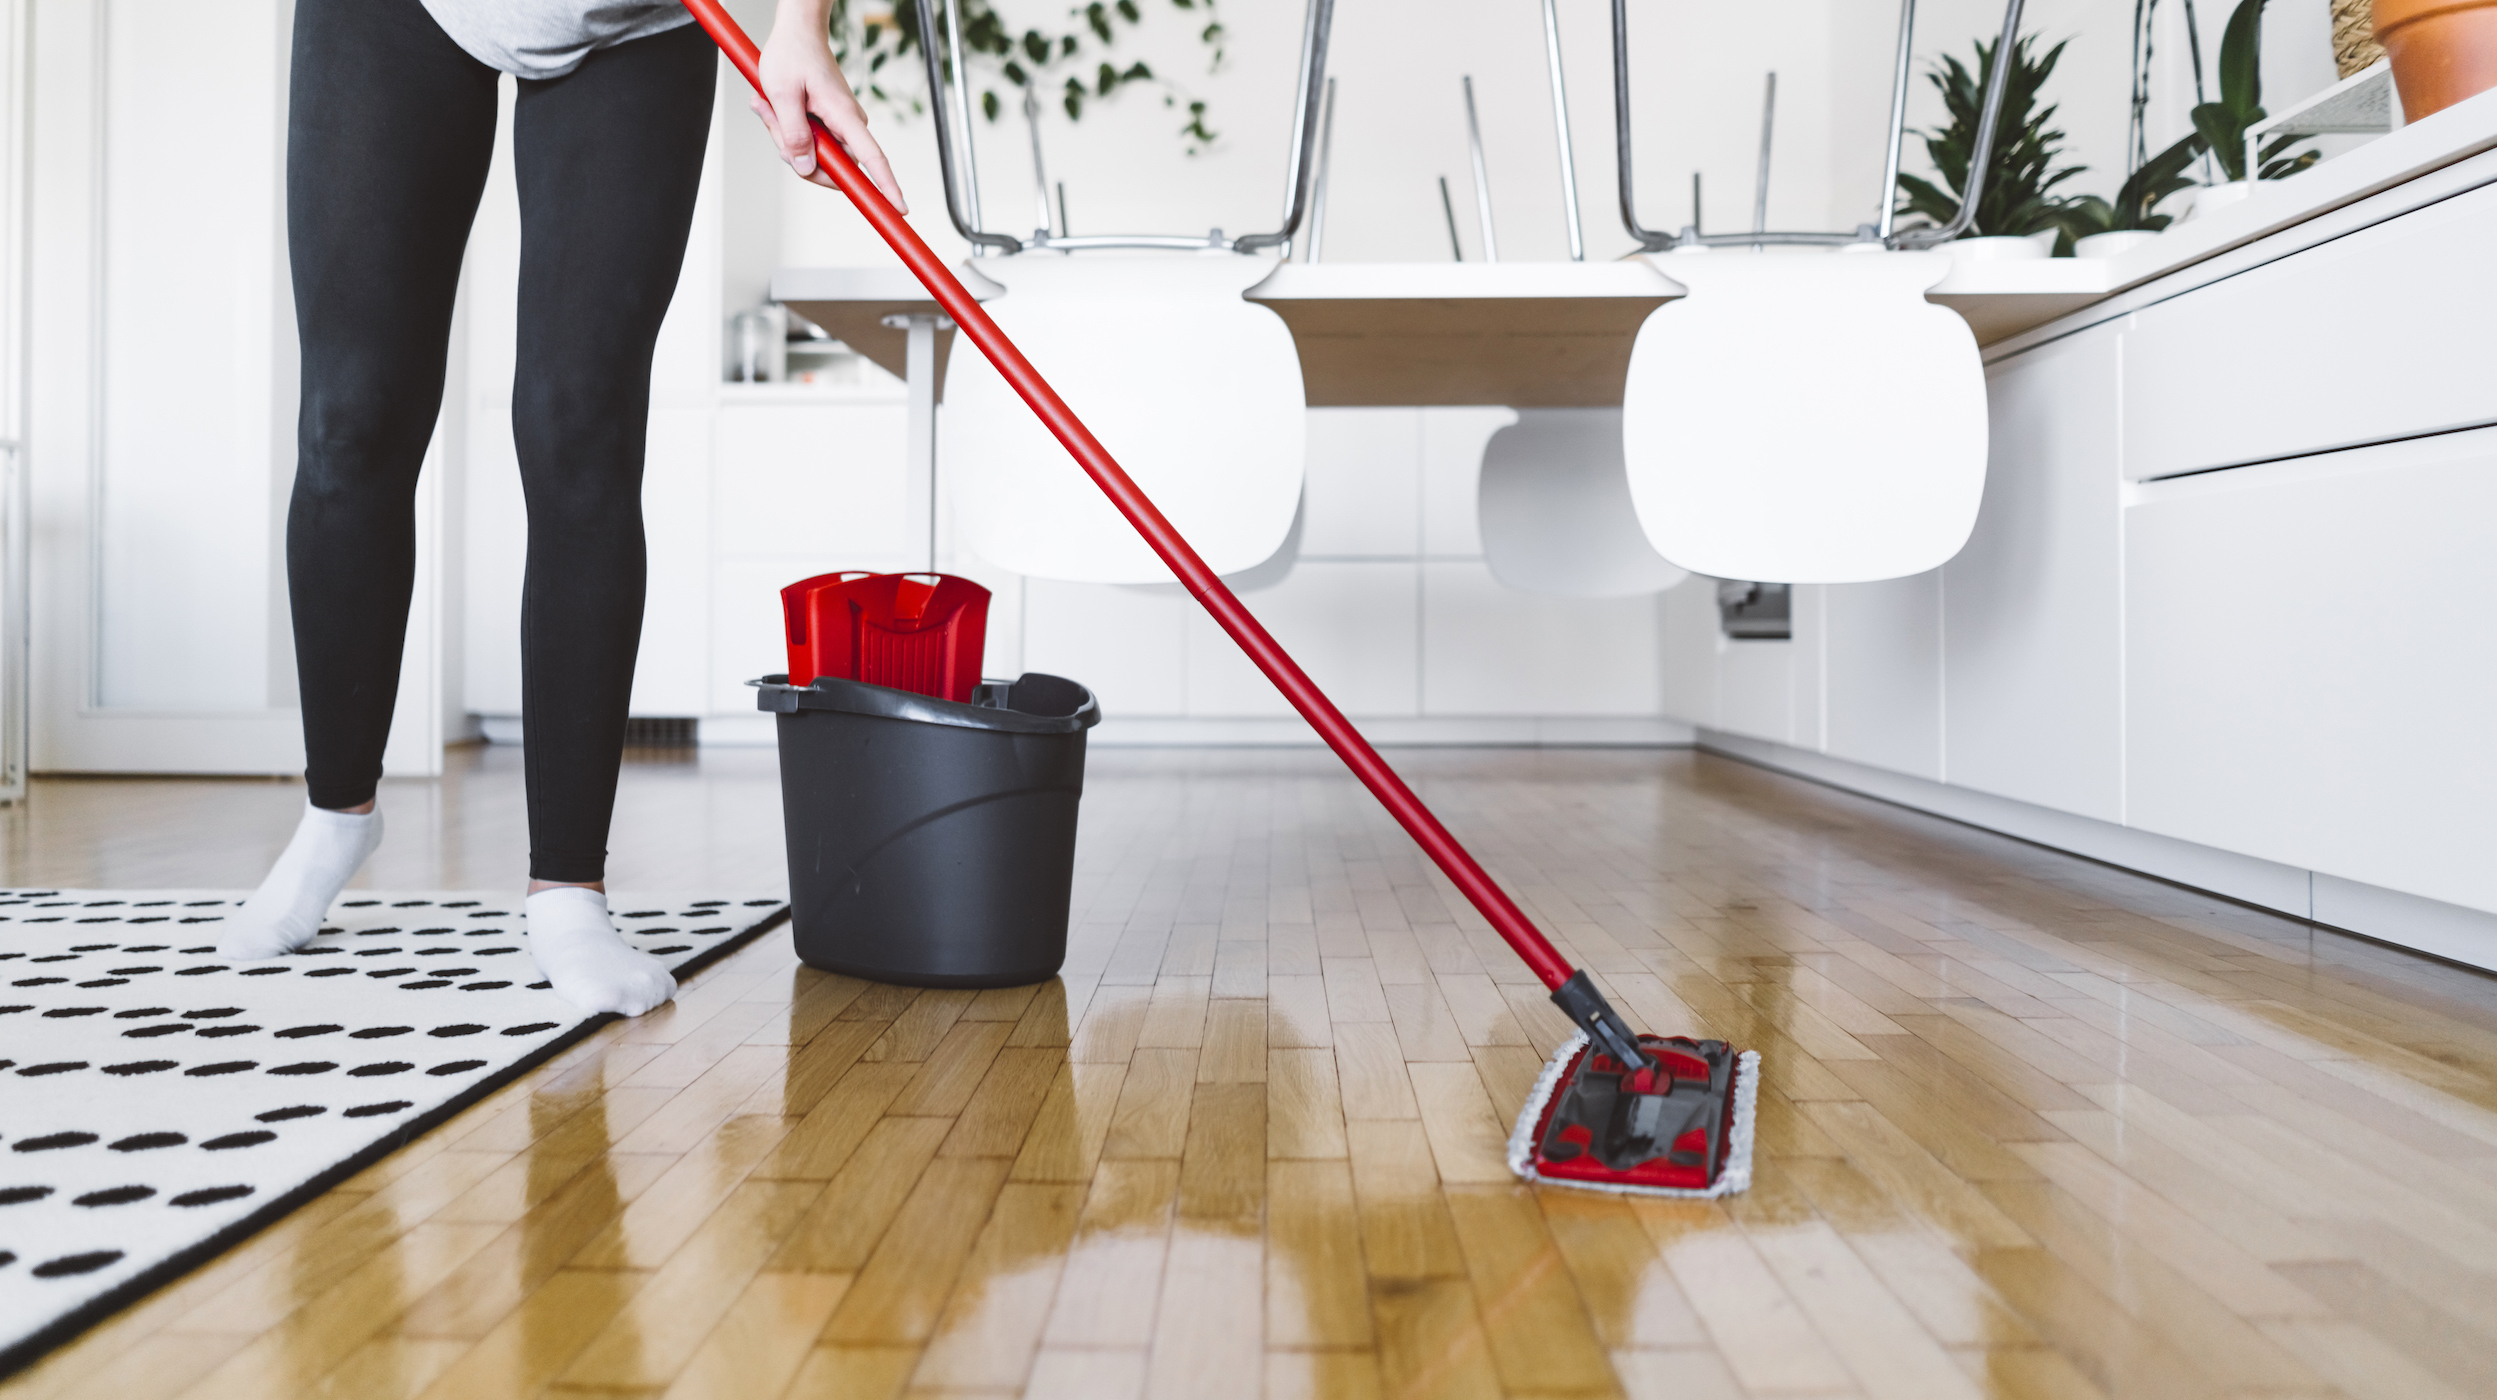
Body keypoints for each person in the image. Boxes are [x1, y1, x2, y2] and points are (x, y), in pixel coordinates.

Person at [218, 0, 903, 1016]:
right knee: (351, 416)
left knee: (578, 422)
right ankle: (335, 814)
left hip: (639, 23)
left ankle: (568, 893)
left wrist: (802, 22)